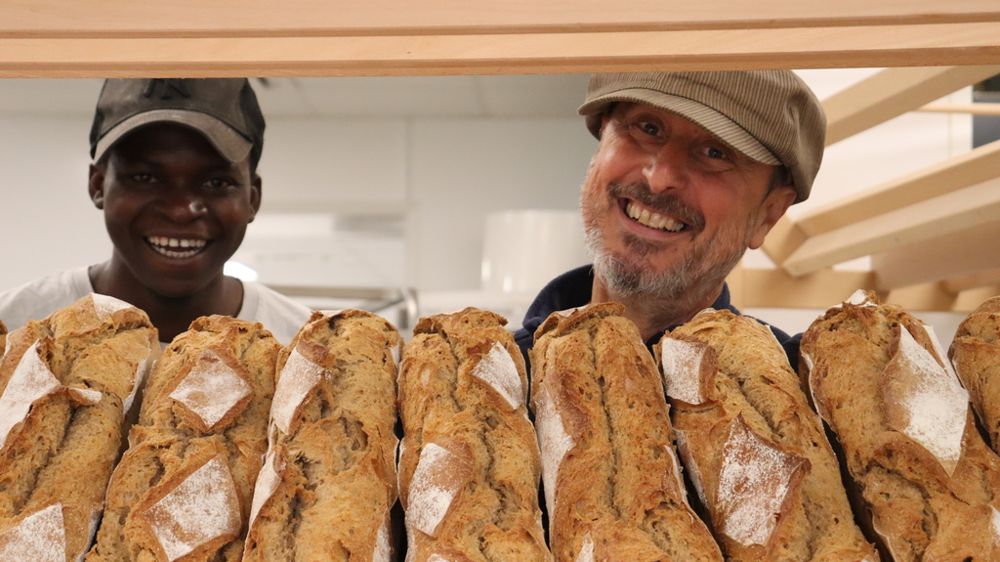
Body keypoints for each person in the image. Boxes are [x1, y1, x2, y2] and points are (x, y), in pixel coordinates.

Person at [515, 71, 826, 368]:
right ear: (600, 148)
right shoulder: (484, 375)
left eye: (715, 153)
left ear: (768, 215)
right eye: (648, 128)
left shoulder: (805, 402)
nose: (660, 178)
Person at [0, 78, 312, 344]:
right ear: (98, 185)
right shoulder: (14, 329)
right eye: (144, 178)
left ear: (253, 198)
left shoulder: (306, 346)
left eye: (216, 182)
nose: (180, 210)